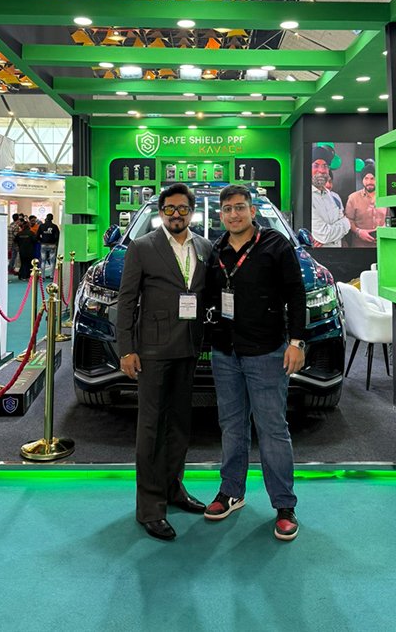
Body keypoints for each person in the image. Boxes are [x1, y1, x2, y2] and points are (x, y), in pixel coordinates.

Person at [204, 184, 307, 541]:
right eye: (227, 209)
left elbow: (296, 294)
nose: (233, 214)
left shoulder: (276, 244)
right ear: (221, 215)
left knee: (272, 429)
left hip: (266, 352)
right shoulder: (216, 250)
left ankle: (284, 505)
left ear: (252, 210)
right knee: (232, 426)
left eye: (239, 207)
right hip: (225, 353)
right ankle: (231, 492)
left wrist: (296, 342)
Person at [116, 183, 212, 542]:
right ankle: (150, 507)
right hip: (153, 351)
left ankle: (174, 489)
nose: (176, 214)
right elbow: (127, 301)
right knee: (151, 429)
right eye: (170, 208)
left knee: (180, 425)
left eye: (183, 209)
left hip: (188, 347)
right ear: (161, 212)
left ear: (191, 212)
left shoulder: (204, 247)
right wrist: (126, 349)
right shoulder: (142, 247)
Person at [311, 145, 350, 247]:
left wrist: (346, 223)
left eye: (325, 166)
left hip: (337, 252)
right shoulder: (307, 198)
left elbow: (347, 222)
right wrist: (345, 224)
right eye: (316, 165)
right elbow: (324, 235)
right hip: (317, 255)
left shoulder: (332, 196)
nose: (321, 170)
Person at [344, 161, 388, 248]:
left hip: (383, 245)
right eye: (366, 178)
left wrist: (384, 229)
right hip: (360, 246)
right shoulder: (353, 198)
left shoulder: (385, 197)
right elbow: (348, 220)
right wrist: (359, 232)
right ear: (362, 180)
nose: (369, 182)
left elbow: (391, 218)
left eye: (372, 178)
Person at [36, 213, 60, 279]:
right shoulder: (54, 226)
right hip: (52, 245)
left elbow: (37, 235)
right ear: (52, 218)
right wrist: (55, 242)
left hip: (43, 244)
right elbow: (57, 236)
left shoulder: (42, 226)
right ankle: (52, 276)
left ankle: (42, 276)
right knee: (52, 261)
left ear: (46, 218)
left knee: (43, 261)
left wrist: (41, 240)